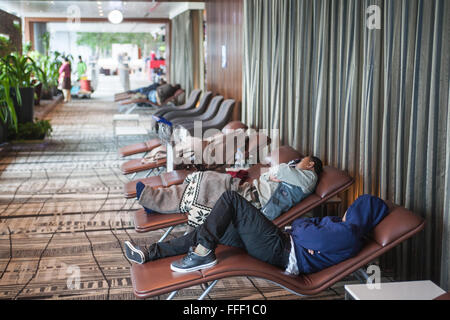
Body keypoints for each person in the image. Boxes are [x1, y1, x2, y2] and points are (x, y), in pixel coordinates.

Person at [125, 193, 389, 275]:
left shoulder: (348, 234)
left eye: (355, 208)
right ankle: (151, 253)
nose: (348, 211)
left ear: (362, 214)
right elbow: (303, 226)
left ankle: (203, 252)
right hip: (283, 243)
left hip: (282, 251)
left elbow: (304, 229)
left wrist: (302, 229)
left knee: (230, 199)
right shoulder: (340, 227)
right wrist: (303, 229)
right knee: (212, 228)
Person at [136, 156, 323, 226]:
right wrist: (274, 174)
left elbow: (278, 171)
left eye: (300, 161)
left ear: (311, 164)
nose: (296, 163)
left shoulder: (309, 178)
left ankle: (157, 201)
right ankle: (158, 201)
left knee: (208, 184)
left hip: (254, 203)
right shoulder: (299, 177)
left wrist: (280, 170)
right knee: (207, 178)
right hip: (250, 191)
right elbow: (267, 177)